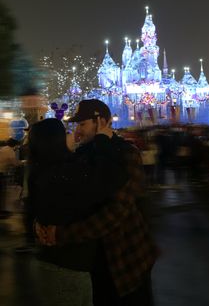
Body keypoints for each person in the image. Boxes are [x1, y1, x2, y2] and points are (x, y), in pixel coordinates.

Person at [37, 99, 159, 306]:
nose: (77, 131)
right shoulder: (84, 153)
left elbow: (114, 213)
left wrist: (62, 234)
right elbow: (72, 199)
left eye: (82, 124)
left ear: (101, 122)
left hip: (126, 260)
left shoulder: (127, 153)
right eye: (76, 125)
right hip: (94, 259)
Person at [27, 117, 125, 305]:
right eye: (65, 132)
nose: (73, 133)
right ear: (56, 141)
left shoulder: (40, 171)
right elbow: (111, 179)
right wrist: (103, 140)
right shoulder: (66, 173)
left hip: (50, 261)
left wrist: (36, 225)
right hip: (68, 266)